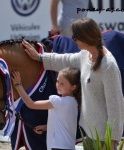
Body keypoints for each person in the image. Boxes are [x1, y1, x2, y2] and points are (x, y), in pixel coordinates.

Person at [22, 18, 124, 150]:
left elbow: (116, 106)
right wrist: (40, 57)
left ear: (86, 38)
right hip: (89, 133)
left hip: (104, 139)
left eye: (75, 36)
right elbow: (64, 59)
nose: (73, 39)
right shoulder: (86, 55)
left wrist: (112, 140)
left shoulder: (108, 66)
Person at [12, 67, 81, 150]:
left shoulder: (58, 101)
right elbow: (64, 123)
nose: (58, 85)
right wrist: (46, 127)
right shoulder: (74, 102)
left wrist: (18, 85)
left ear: (73, 87)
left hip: (57, 146)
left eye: (62, 84)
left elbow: (31, 104)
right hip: (68, 146)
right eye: (57, 81)